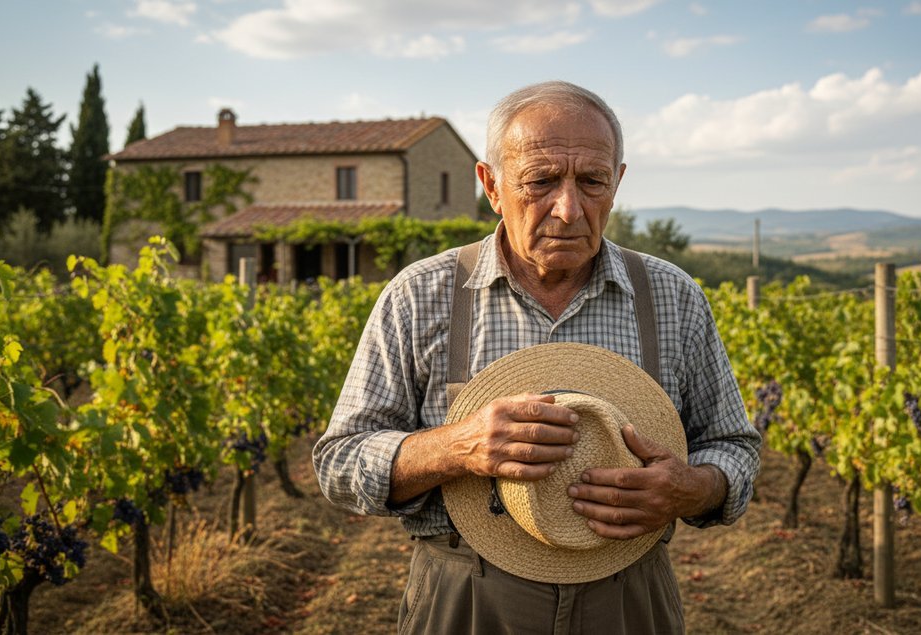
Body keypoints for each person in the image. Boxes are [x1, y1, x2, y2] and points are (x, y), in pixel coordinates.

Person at [313, 80, 760, 634]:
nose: (569, 209)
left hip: (629, 598)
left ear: (617, 183)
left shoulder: (671, 296)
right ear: (491, 185)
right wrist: (456, 447)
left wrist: (696, 487)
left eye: (592, 181)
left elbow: (734, 447)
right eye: (541, 181)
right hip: (469, 599)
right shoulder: (420, 295)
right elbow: (339, 462)